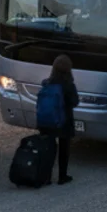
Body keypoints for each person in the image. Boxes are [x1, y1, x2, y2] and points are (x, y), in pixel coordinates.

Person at [39, 55, 80, 185]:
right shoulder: (68, 85)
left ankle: (47, 177)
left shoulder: (47, 83)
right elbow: (74, 101)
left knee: (49, 149)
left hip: (48, 121)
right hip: (64, 121)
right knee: (64, 149)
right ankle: (62, 176)